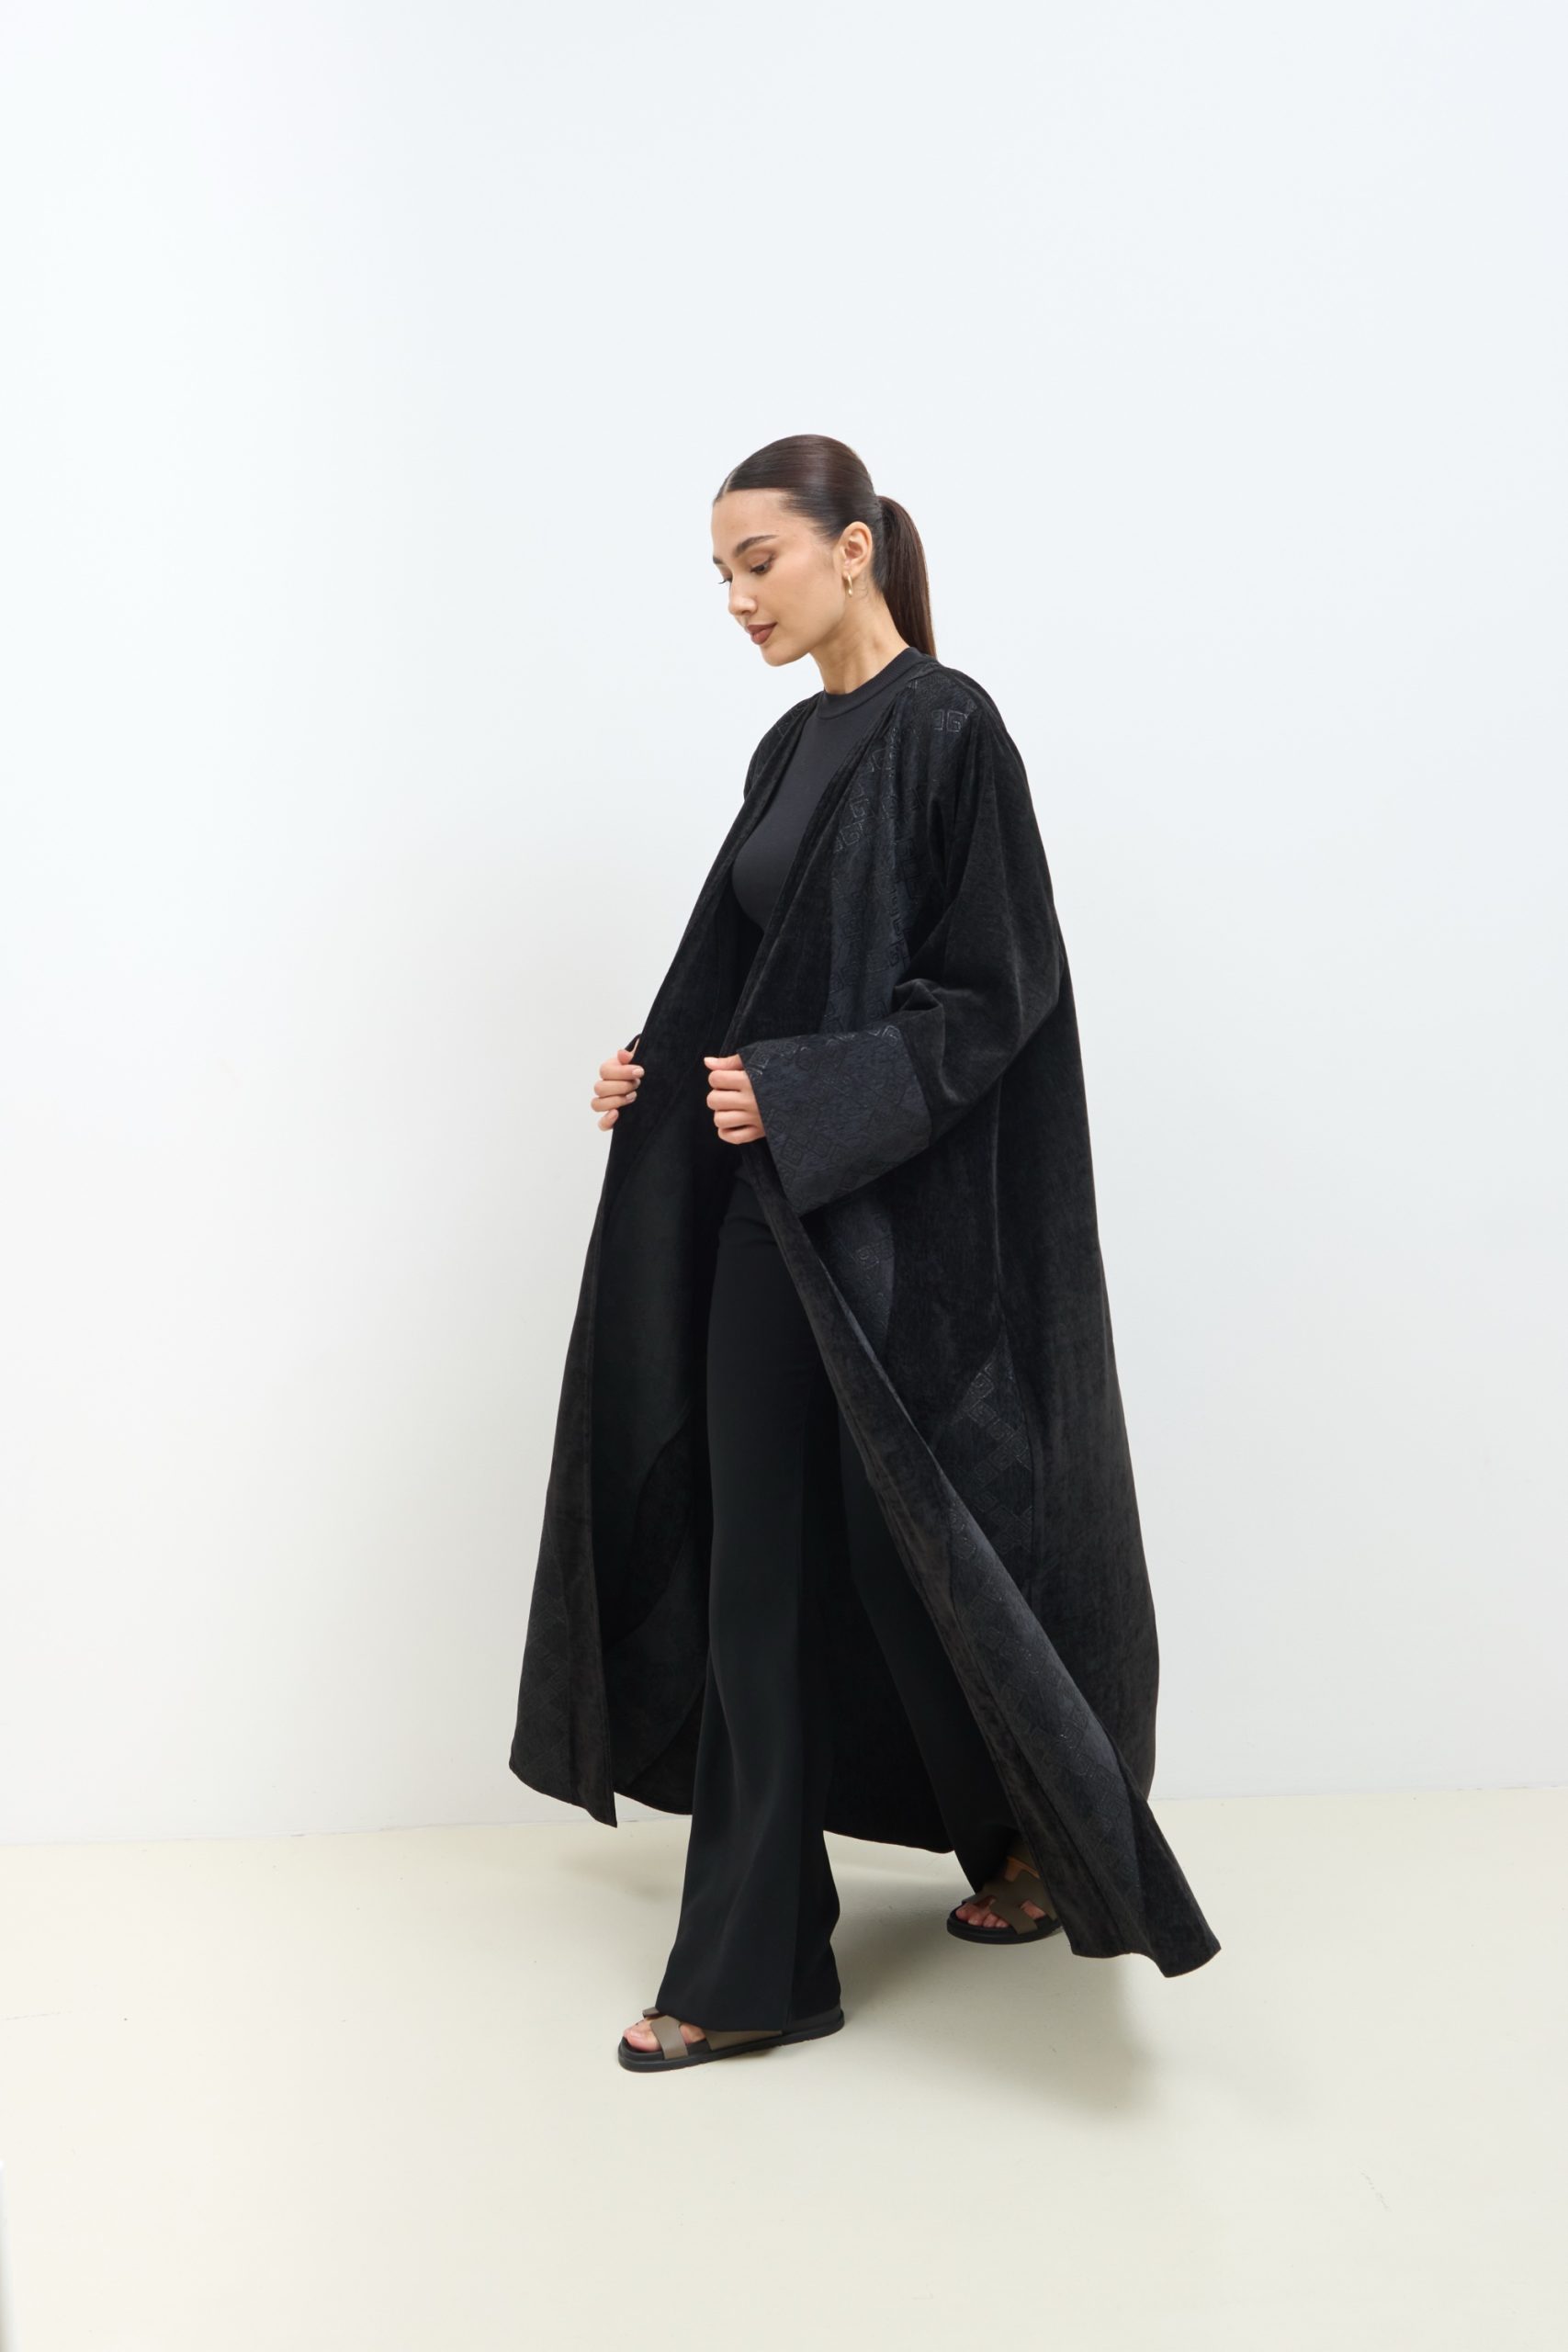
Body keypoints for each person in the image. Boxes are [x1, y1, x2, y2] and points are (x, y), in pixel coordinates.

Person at [510, 435, 1222, 2076]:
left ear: (854, 548)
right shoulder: (790, 748)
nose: (737, 597)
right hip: (774, 1221)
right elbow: (743, 969)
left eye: (758, 560)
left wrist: (810, 1092)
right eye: (719, 574)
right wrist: (655, 1072)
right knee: (762, 1575)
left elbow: (998, 992)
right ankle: (762, 1957)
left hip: (901, 1240)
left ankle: (1020, 1842)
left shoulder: (951, 728)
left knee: (921, 1557)